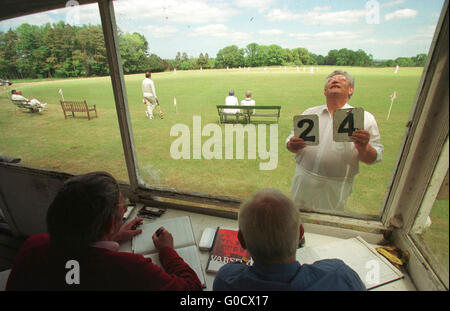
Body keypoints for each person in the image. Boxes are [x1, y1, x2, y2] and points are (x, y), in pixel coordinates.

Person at [6, 171, 202, 291]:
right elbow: (191, 290)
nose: (125, 209)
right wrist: (168, 251)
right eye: (121, 205)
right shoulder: (129, 268)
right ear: (109, 222)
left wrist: (108, 235)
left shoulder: (34, 246)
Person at [213, 189, 366, 291]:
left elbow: (231, 271)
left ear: (241, 240)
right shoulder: (339, 275)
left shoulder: (227, 281)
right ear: (300, 234)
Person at [286, 70, 383, 211]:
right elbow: (290, 141)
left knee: (328, 223)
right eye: (331, 79)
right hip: (304, 177)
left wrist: (364, 147)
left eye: (342, 79)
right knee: (295, 217)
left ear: (351, 90)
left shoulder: (365, 118)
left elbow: (374, 157)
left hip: (336, 184)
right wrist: (291, 144)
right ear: (325, 91)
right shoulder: (310, 113)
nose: (335, 80)